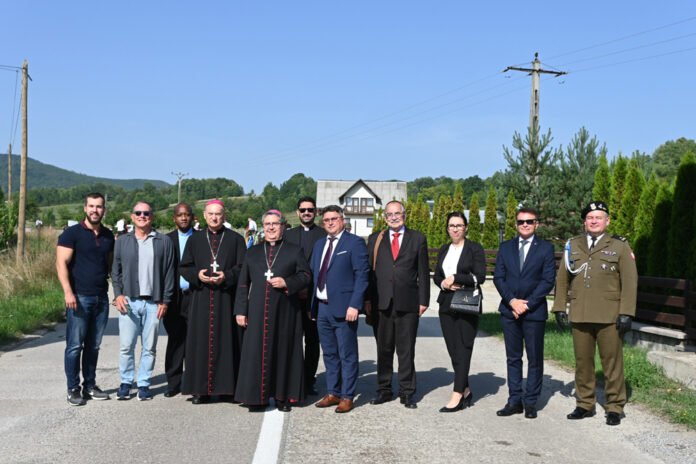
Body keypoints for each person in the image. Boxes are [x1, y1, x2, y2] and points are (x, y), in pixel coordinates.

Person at [552, 200, 637, 426]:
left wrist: (626, 312)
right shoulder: (573, 244)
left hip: (610, 315)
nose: (594, 221)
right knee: (583, 362)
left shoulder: (619, 246)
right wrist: (559, 307)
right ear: (584, 222)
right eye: (590, 218)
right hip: (580, 313)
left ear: (607, 221)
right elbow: (562, 279)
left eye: (599, 217)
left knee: (612, 363)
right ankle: (585, 404)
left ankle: (615, 406)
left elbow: (630, 282)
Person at [234, 210, 311, 412]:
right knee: (255, 353)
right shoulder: (252, 252)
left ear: (283, 226)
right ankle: (256, 398)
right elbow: (243, 284)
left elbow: (305, 276)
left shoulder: (294, 251)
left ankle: (282, 397)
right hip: (257, 311)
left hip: (286, 311)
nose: (270, 227)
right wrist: (240, 311)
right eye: (267, 224)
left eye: (275, 224)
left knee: (283, 352)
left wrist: (287, 282)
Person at [180, 199, 246, 404]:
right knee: (200, 343)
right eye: (211, 214)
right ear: (204, 215)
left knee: (228, 343)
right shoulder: (195, 240)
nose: (214, 218)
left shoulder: (235, 239)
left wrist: (227, 276)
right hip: (201, 299)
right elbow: (184, 267)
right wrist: (197, 276)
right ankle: (201, 390)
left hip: (226, 299)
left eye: (218, 214)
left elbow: (243, 268)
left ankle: (228, 389)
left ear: (224, 215)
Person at [493, 207, 556, 419]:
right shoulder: (506, 247)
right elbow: (499, 277)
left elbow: (547, 280)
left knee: (534, 358)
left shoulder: (546, 248)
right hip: (509, 310)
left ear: (537, 224)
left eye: (529, 221)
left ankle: (530, 402)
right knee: (513, 357)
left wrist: (526, 305)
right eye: (521, 222)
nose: (525, 225)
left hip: (533, 311)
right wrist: (512, 301)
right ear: (516, 224)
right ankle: (514, 400)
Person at [366, 201, 429, 409]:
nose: (393, 217)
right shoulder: (376, 239)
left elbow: (423, 272)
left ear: (404, 215)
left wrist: (424, 300)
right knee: (383, 349)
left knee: (406, 349)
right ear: (385, 217)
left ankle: (407, 392)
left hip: (408, 302)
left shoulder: (417, 238)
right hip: (381, 302)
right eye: (389, 214)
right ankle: (384, 390)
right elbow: (368, 273)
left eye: (397, 213)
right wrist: (367, 300)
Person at [112, 201, 176, 401]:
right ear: (132, 217)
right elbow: (116, 271)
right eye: (138, 213)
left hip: (153, 303)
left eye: (146, 213)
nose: (142, 216)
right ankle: (125, 382)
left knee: (149, 347)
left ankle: (144, 384)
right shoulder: (122, 241)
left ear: (152, 217)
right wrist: (118, 294)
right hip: (129, 301)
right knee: (126, 346)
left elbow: (169, 273)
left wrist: (165, 300)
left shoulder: (163, 241)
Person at [56, 192, 115, 406]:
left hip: (101, 298)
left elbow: (110, 265)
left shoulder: (108, 235)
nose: (95, 210)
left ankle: (89, 385)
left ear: (104, 209)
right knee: (74, 346)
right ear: (85, 208)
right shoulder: (71, 234)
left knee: (94, 346)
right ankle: (73, 388)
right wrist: (68, 292)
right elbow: (61, 263)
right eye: (91, 206)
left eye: (99, 206)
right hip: (79, 297)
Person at [311, 205, 369, 413]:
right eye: (326, 220)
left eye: (334, 219)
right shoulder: (319, 244)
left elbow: (362, 275)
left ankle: (347, 395)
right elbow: (315, 273)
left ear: (342, 220)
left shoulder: (354, 243)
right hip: (322, 307)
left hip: (345, 308)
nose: (330, 223)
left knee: (347, 354)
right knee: (329, 353)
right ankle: (333, 392)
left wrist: (355, 304)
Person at [433, 212, 486, 412]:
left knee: (464, 346)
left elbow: (479, 277)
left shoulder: (474, 249)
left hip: (466, 302)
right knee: (453, 349)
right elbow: (437, 276)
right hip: (446, 303)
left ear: (465, 227)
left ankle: (457, 394)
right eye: (452, 225)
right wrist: (444, 283)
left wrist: (456, 277)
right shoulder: (444, 249)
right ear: (447, 228)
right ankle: (466, 389)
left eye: (459, 225)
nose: (455, 229)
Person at [283, 196, 326, 396]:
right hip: (291, 295)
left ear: (315, 212)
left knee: (312, 340)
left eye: (310, 210)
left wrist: (310, 288)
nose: (306, 213)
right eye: (303, 210)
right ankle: (291, 379)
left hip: (314, 296)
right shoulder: (288, 235)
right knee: (290, 339)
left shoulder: (323, 234)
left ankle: (309, 380)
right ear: (297, 212)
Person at [163, 202, 195, 398]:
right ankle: (173, 382)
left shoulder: (200, 238)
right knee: (175, 340)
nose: (184, 218)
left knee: (193, 340)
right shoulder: (166, 240)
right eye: (180, 215)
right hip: (174, 298)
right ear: (174, 218)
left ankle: (192, 381)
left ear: (193, 217)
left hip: (195, 296)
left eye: (187, 214)